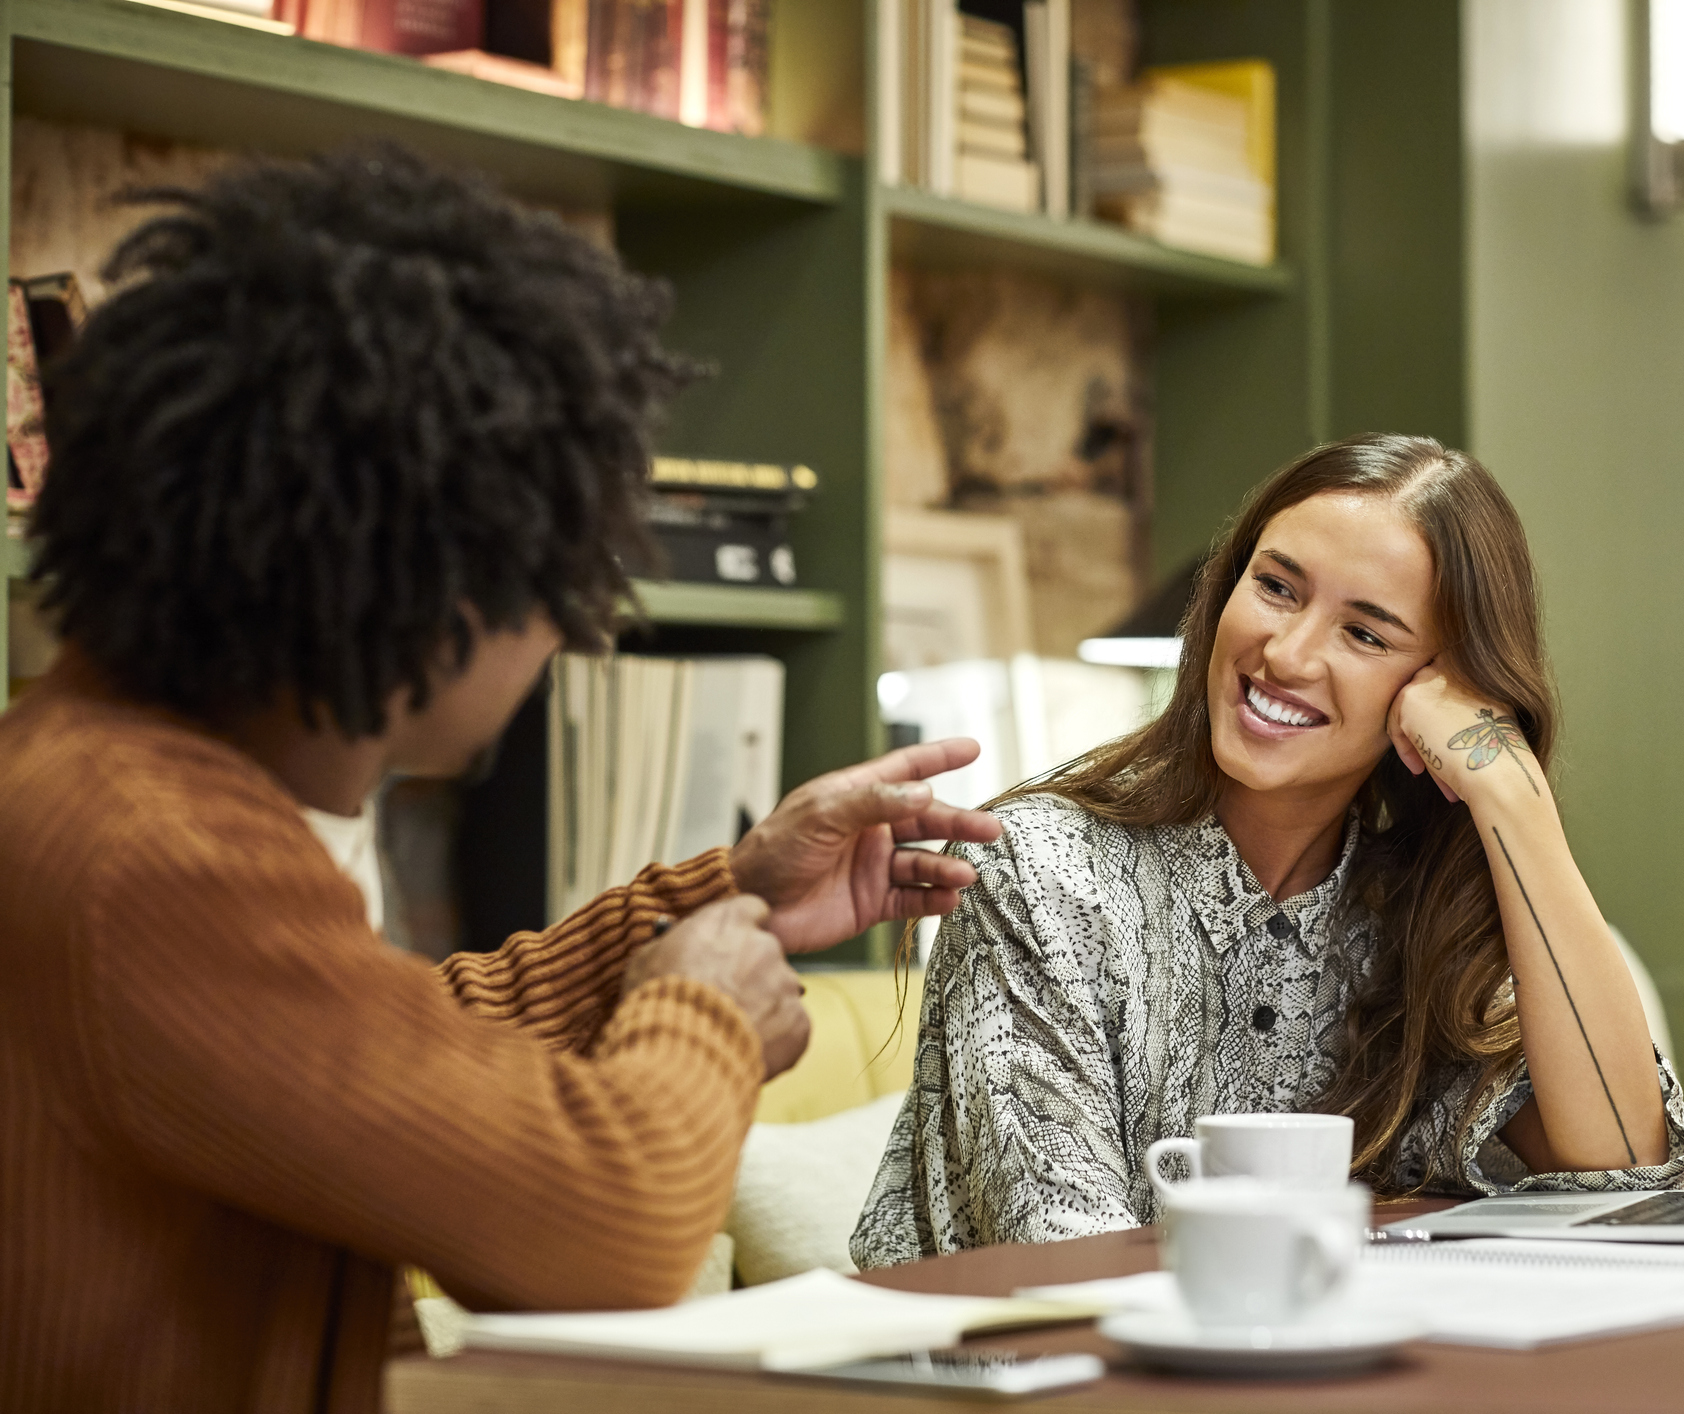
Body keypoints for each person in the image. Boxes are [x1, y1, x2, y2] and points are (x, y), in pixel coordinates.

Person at [0, 145, 998, 1412]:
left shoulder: (111, 782)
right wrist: (708, 1021)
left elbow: (403, 1063)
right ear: (440, 593)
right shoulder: (148, 851)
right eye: (558, 577)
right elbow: (610, 1238)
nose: (576, 633)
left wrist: (717, 897)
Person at [852, 434, 1684, 1267]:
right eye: (1277, 587)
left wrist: (1511, 798)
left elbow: (1628, 1175)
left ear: (1440, 689)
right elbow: (1061, 1258)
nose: (1286, 655)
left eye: (1365, 635)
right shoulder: (1038, 873)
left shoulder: (1419, 917)